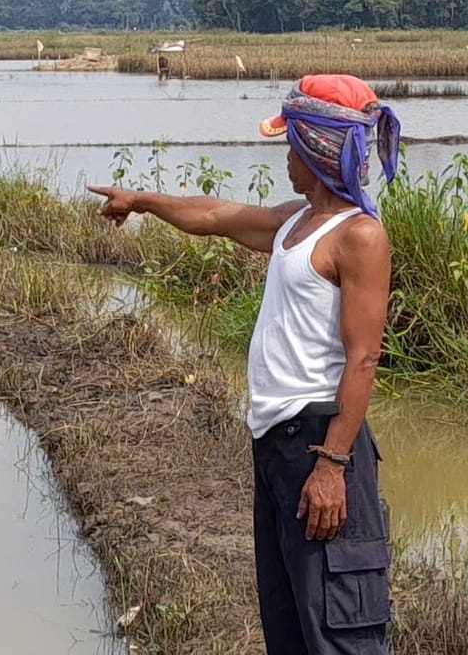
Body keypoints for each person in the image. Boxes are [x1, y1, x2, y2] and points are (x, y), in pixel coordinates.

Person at [87, 74, 401, 654]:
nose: (285, 158)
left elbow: (363, 359)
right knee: (289, 623)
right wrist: (144, 201)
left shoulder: (358, 236)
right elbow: (215, 215)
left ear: (318, 147)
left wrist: (332, 465)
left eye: (292, 146)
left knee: (340, 630)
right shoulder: (294, 223)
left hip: (321, 441)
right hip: (276, 446)